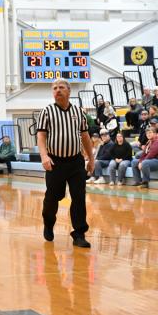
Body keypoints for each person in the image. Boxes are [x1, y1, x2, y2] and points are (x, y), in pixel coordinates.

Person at [37, 78, 95, 249]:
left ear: (69, 91)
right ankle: (48, 223)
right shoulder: (47, 111)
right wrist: (44, 156)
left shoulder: (78, 111)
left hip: (75, 162)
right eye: (54, 88)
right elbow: (41, 136)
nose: (57, 90)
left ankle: (79, 233)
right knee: (52, 198)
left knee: (79, 198)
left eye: (61, 87)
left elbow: (85, 137)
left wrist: (91, 159)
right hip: (55, 162)